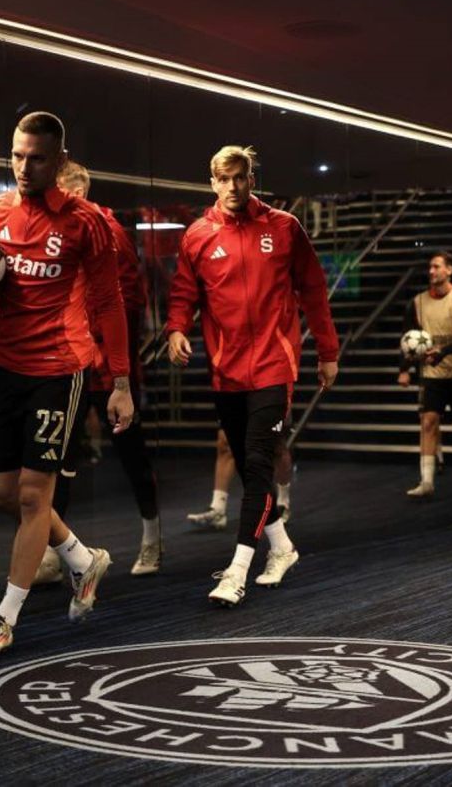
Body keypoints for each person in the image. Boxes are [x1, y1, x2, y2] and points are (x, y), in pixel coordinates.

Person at [0, 112, 133, 658]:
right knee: (1, 493)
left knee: (35, 494)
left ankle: (5, 616)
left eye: (36, 158)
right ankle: (83, 560)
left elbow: (110, 304)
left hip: (59, 369)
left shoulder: (87, 221)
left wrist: (120, 381)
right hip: (6, 367)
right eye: (17, 155)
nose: (23, 167)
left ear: (59, 161)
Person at [167, 144, 339, 607]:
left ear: (251, 179)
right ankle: (282, 548)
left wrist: (328, 352)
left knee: (259, 462)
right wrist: (176, 328)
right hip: (225, 368)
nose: (232, 187)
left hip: (273, 364)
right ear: (212, 183)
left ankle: (237, 569)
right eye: (223, 179)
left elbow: (314, 290)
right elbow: (183, 292)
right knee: (249, 467)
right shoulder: (198, 235)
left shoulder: (284, 227)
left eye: (240, 177)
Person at [37, 158, 160, 578]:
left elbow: (131, 300)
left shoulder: (108, 230)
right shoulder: (52, 230)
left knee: (130, 451)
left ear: (77, 192)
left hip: (109, 365)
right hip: (70, 361)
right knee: (59, 457)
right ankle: (52, 553)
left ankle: (152, 537)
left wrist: (114, 359)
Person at [397, 251, 452, 497]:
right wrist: (404, 369)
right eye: (430, 267)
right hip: (432, 374)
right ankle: (427, 481)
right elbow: (407, 338)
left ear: (449, 270)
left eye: (436, 266)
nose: (431, 271)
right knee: (428, 422)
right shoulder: (418, 302)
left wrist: (444, 351)